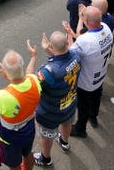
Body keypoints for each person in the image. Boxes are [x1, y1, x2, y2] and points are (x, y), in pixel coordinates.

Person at [0, 43, 40, 170]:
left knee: (14, 164)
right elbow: (29, 73)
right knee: (28, 153)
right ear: (22, 67)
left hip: (10, 138)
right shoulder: (34, 81)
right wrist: (33, 57)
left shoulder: (3, 96)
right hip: (29, 129)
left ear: (4, 74)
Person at [33, 31, 81, 167]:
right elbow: (64, 60)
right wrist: (49, 49)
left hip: (51, 111)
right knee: (67, 123)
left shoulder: (48, 72)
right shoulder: (76, 56)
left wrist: (38, 54)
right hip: (70, 103)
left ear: (52, 48)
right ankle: (64, 142)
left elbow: (34, 87)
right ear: (67, 42)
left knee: (47, 136)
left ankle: (46, 159)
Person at [63, 6, 113, 138]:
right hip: (100, 75)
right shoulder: (106, 28)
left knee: (83, 105)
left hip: (87, 81)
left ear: (88, 22)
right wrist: (83, 17)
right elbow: (84, 35)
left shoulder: (85, 41)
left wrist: (69, 33)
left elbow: (69, 53)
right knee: (96, 98)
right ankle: (94, 117)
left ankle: (81, 128)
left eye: (83, 16)